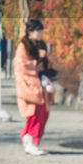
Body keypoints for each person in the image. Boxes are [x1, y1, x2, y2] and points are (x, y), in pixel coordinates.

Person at [14, 19, 52, 155]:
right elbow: (22, 66)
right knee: (33, 114)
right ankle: (30, 141)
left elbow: (46, 63)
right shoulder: (23, 46)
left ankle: (32, 140)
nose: (40, 34)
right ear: (30, 32)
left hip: (40, 83)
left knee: (43, 114)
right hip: (29, 85)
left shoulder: (41, 44)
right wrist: (37, 61)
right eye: (38, 31)